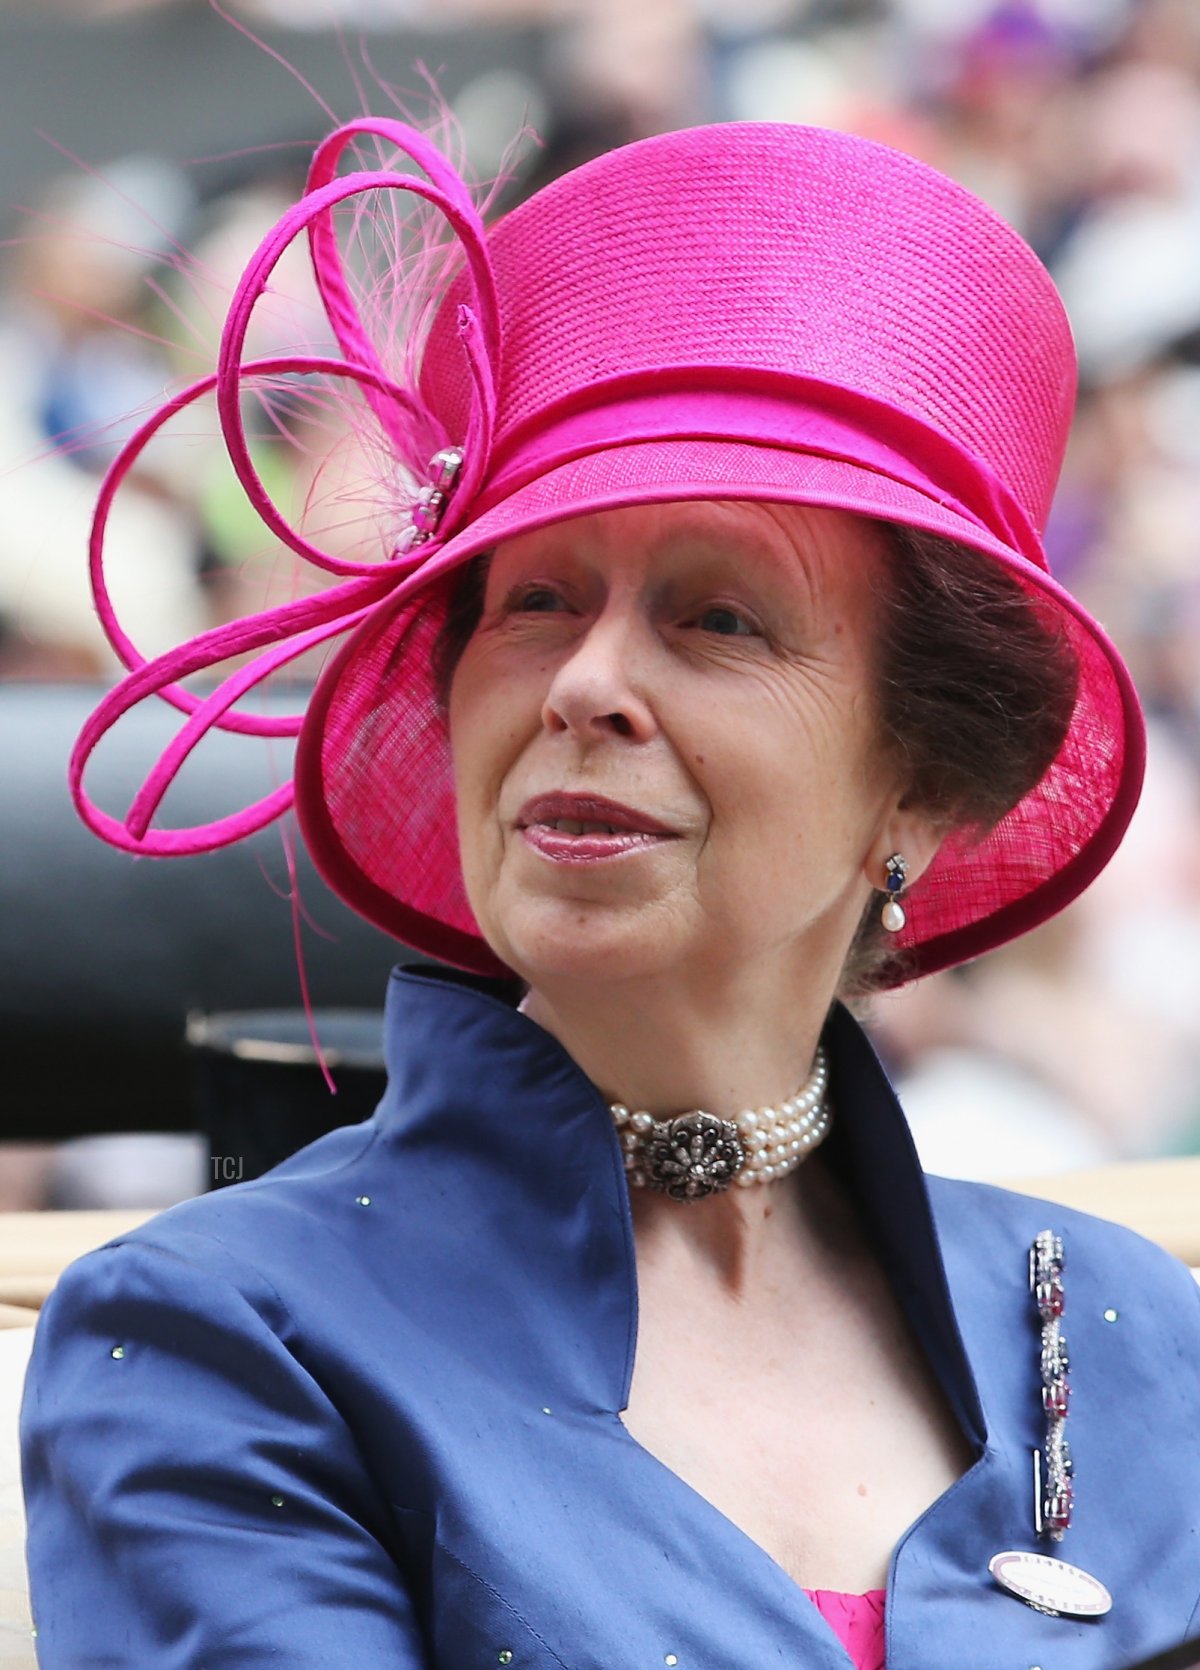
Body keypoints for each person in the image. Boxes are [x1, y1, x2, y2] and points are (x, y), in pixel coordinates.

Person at [19, 116, 1200, 1668]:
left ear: (924, 780)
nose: (586, 682)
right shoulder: (222, 1336)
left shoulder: (1120, 1326)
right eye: (536, 600)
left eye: (718, 616)